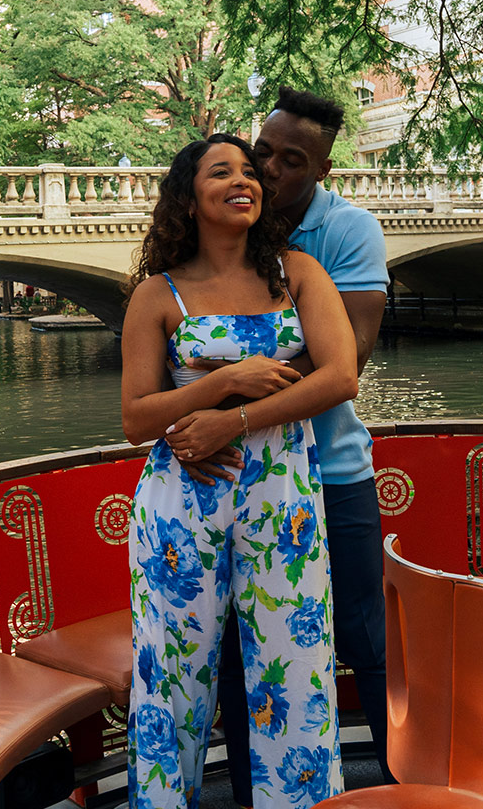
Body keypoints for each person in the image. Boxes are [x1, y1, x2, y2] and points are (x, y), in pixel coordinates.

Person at [122, 134, 361, 809]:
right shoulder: (157, 295)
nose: (243, 181)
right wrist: (226, 380)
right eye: (220, 172)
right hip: (182, 501)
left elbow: (341, 376)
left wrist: (235, 419)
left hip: (284, 496)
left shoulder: (297, 273)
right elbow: (137, 418)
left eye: (250, 172)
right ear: (188, 197)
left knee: (297, 668)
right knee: (172, 676)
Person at [200, 90, 393, 800]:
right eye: (264, 152)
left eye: (292, 160)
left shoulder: (347, 231)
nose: (271, 169)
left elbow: (353, 354)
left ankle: (396, 783)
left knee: (365, 640)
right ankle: (251, 793)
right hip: (234, 480)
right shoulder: (228, 227)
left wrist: (234, 404)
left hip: (332, 472)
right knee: (238, 650)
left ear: (322, 169)